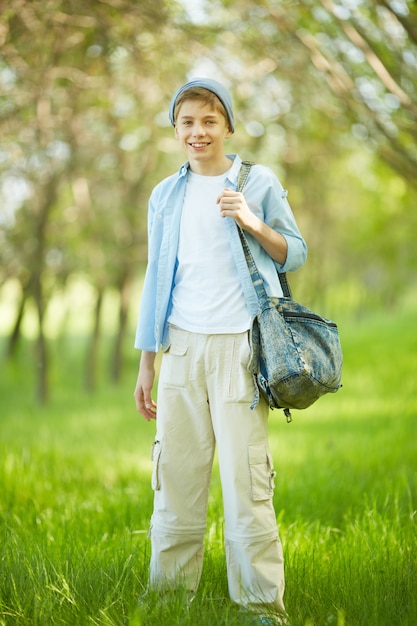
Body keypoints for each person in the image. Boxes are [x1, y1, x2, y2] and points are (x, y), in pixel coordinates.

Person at [133, 77, 307, 623]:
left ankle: (260, 606)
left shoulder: (257, 182)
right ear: (176, 130)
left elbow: (295, 253)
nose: (198, 132)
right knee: (177, 479)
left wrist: (251, 221)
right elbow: (154, 280)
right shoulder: (165, 195)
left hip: (240, 348)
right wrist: (147, 363)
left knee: (246, 481)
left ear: (227, 125)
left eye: (209, 121)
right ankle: (167, 601)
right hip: (182, 350)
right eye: (187, 122)